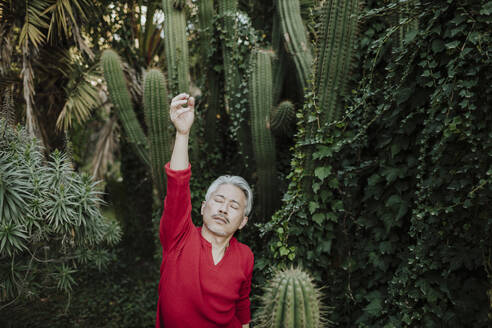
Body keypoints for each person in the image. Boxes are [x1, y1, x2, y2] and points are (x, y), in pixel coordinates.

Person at [156, 93, 254, 328]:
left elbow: (242, 307)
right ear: (203, 208)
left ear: (242, 221)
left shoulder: (245, 257)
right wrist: (182, 134)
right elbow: (178, 185)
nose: (223, 209)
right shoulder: (178, 238)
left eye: (234, 206)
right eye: (219, 200)